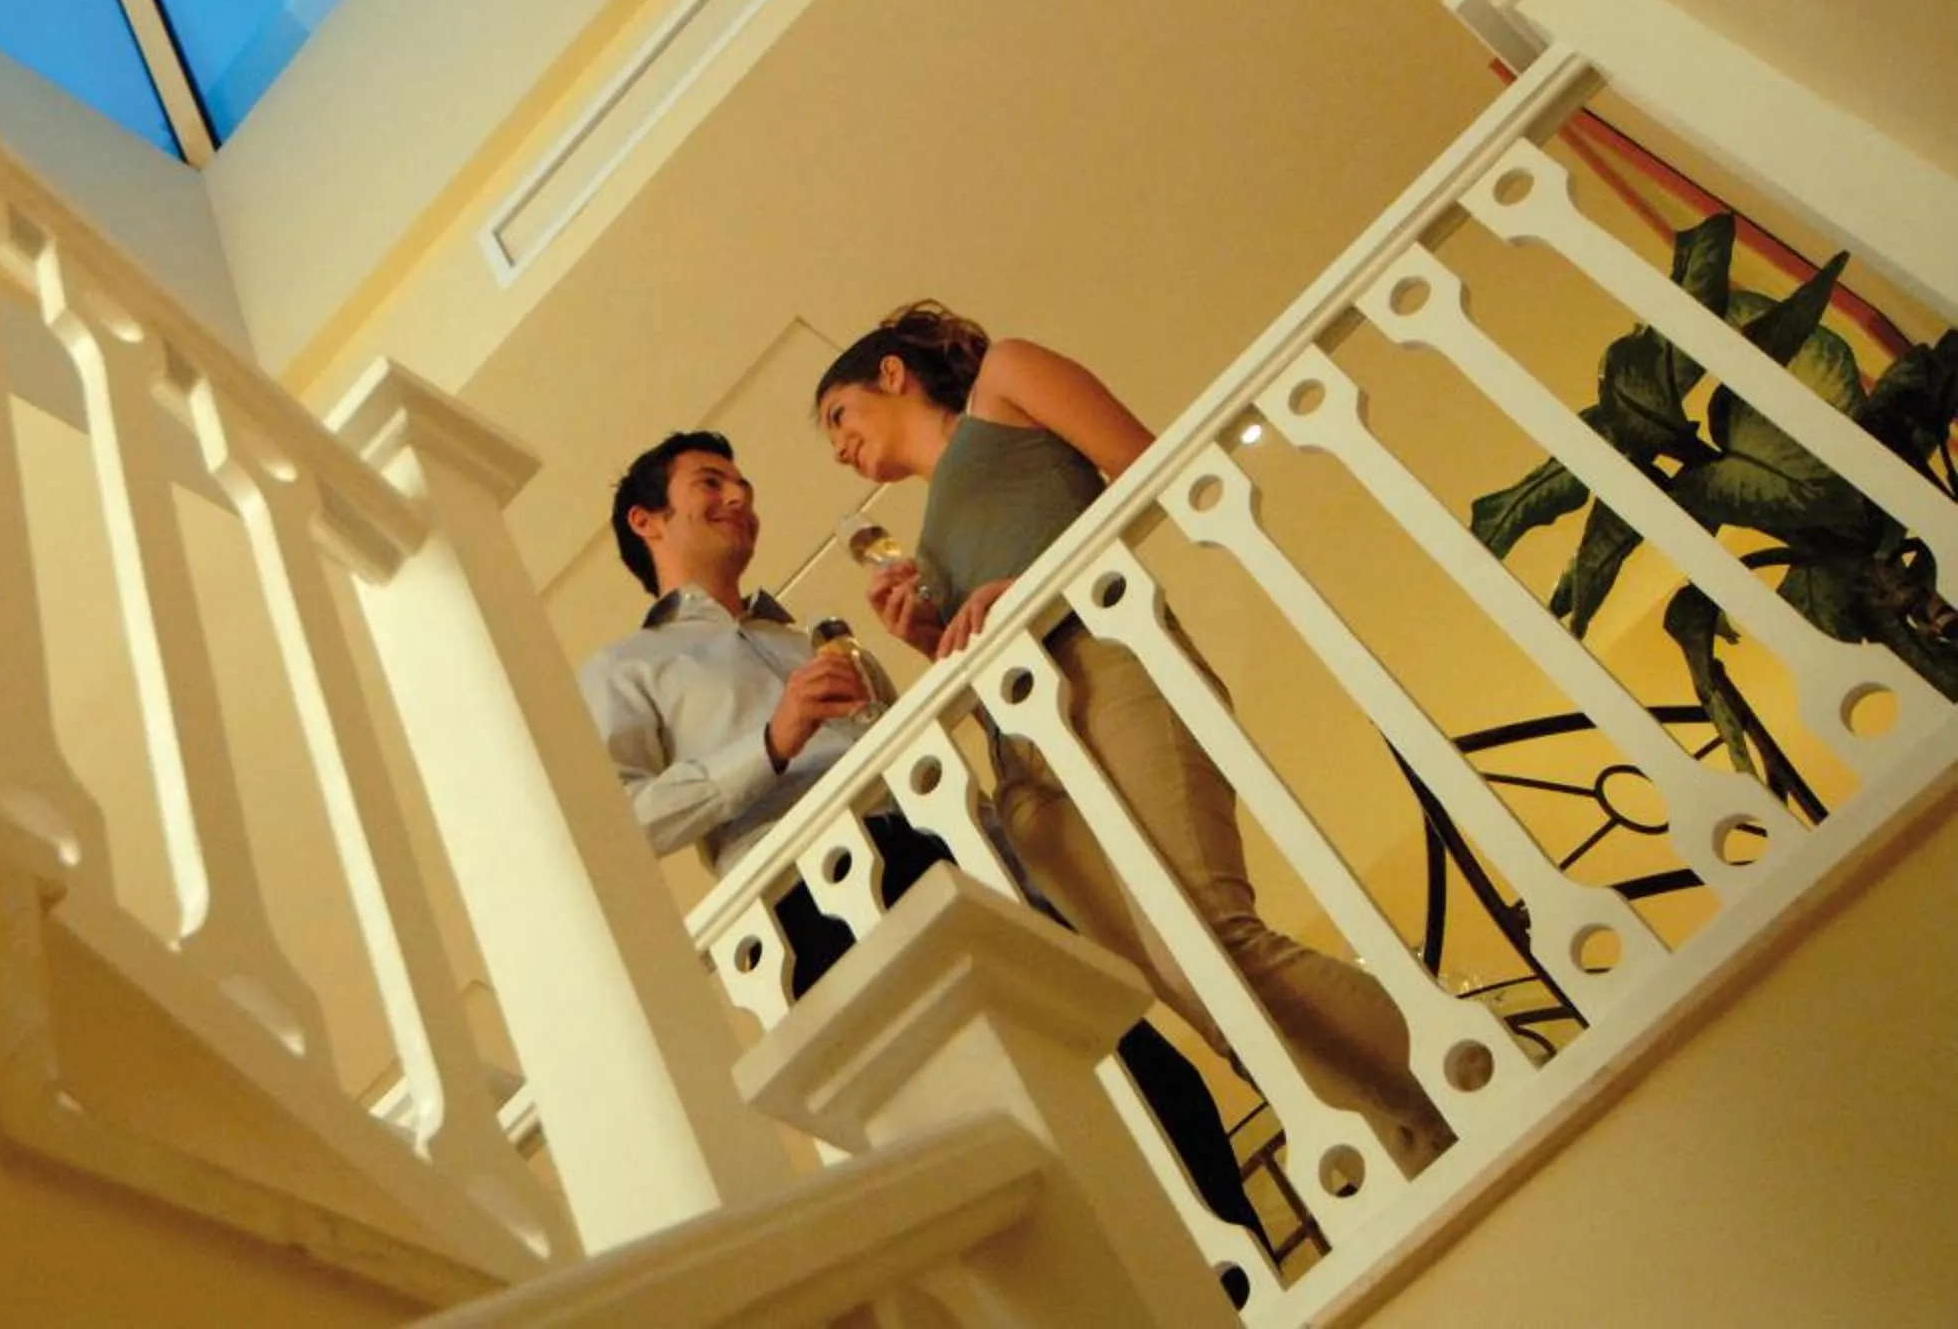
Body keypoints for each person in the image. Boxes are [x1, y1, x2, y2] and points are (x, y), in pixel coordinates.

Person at [816, 303, 1456, 1173]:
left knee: (1213, 940)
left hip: (1105, 662)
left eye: (837, 417)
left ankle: (1460, 1076)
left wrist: (1028, 583)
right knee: (1187, 991)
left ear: (890, 373)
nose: (836, 447)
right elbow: (981, 658)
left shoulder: (1006, 377)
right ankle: (1408, 1144)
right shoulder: (923, 543)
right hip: (1022, 757)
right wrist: (925, 641)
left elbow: (1150, 466)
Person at [581, 429, 1259, 1231]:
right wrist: (771, 741)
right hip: (817, 907)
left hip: (948, 856)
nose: (740, 499)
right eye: (710, 482)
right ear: (645, 521)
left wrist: (1026, 877)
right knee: (998, 1144)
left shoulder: (807, 639)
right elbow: (619, 825)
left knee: (1150, 1081)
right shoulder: (624, 670)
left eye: (744, 484)